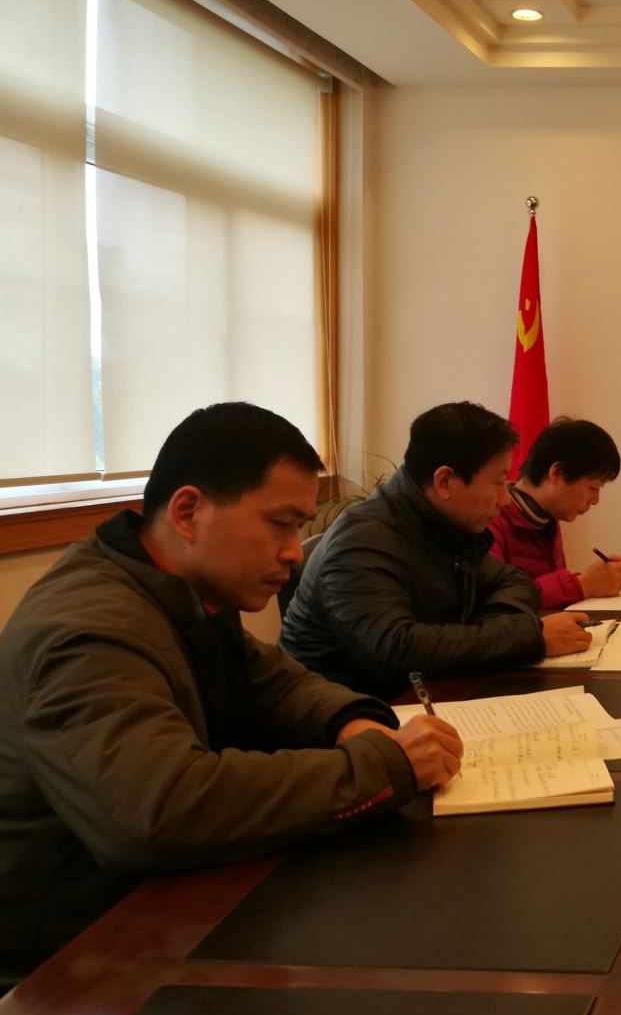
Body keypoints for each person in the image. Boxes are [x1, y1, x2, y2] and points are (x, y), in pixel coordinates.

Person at [0, 403, 464, 975]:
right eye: (280, 524)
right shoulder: (88, 629)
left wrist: (352, 722)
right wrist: (384, 766)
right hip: (64, 971)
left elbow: (271, 681)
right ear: (188, 512)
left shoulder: (177, 589)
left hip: (154, 911)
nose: (295, 551)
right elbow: (162, 811)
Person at [280, 402, 591, 697]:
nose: (506, 499)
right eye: (498, 482)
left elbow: (513, 580)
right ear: (445, 482)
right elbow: (397, 649)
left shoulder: (443, 524)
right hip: (346, 715)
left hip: (422, 698)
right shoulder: (361, 542)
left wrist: (503, 632)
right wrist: (526, 638)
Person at [489, 417, 621, 610]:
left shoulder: (545, 517)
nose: (595, 500)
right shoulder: (491, 519)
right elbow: (497, 603)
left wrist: (590, 581)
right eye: (593, 487)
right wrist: (582, 584)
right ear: (557, 473)